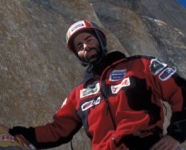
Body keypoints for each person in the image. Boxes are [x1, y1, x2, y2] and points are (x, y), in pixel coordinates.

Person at [9, 19, 186, 149]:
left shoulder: (141, 65)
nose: (85, 46)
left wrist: (176, 135)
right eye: (79, 46)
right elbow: (59, 130)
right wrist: (27, 135)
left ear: (101, 40)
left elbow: (181, 91)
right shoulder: (78, 94)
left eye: (89, 39)